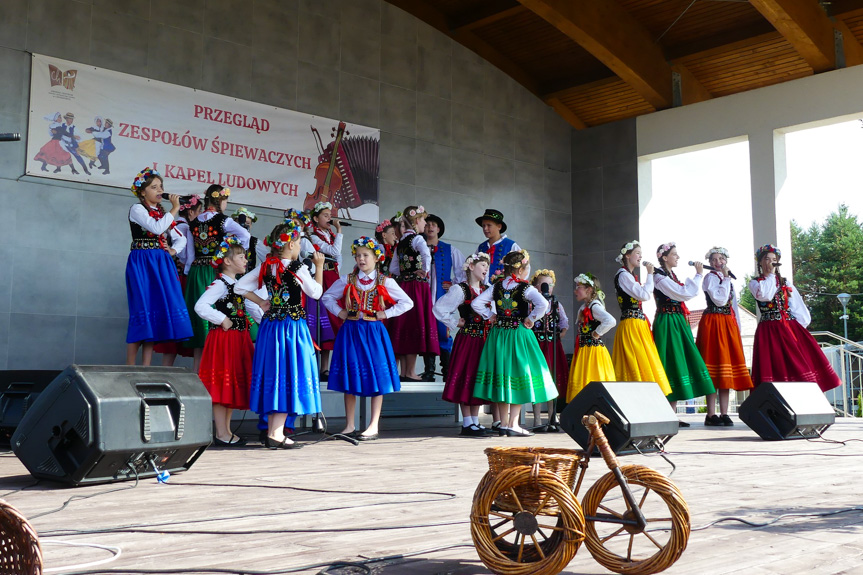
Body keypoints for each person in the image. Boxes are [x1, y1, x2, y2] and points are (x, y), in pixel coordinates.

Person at [235, 221, 326, 449]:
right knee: (288, 375)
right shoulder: (298, 268)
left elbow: (239, 287)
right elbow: (316, 293)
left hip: (270, 328)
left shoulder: (267, 267)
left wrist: (262, 302)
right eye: (298, 244)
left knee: (276, 376)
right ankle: (275, 433)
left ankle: (273, 431)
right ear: (293, 244)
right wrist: (320, 267)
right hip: (291, 329)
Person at [322, 237, 414, 440]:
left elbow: (407, 302)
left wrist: (385, 314)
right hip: (351, 331)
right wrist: (340, 313)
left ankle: (373, 424)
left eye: (365, 255)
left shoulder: (385, 281)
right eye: (358, 255)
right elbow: (327, 297)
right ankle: (349, 424)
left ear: (376, 258)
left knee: (375, 376)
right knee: (350, 375)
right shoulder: (347, 280)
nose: (361, 259)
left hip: (373, 332)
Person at [472, 250, 558, 437]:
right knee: (520, 375)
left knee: (503, 377)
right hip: (518, 334)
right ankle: (513, 424)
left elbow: (477, 304)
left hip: (499, 335)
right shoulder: (525, 288)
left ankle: (504, 424)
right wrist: (531, 318)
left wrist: (491, 316)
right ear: (521, 270)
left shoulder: (496, 287)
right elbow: (543, 305)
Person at [194, 236, 262, 447]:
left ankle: (227, 430)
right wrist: (222, 319)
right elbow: (201, 306)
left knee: (230, 385)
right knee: (222, 385)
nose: (245, 261)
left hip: (238, 339)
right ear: (227, 261)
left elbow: (253, 308)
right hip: (224, 340)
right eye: (241, 257)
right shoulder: (220, 284)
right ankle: (221, 432)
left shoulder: (239, 285)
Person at [749, 244, 841, 392]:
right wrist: (772, 276)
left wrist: (796, 329)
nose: (770, 262)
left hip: (787, 326)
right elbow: (765, 295)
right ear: (760, 262)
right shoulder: (755, 283)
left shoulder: (785, 282)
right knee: (774, 363)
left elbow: (798, 307)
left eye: (773, 259)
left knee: (796, 361)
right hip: (768, 330)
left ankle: (803, 395)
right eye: (766, 259)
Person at [125, 167, 193, 366]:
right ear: (142, 191)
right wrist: (174, 209)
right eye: (153, 187)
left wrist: (172, 251)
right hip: (143, 262)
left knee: (154, 312)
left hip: (160, 262)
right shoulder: (137, 209)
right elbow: (156, 228)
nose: (159, 190)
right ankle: (129, 366)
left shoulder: (161, 213)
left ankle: (145, 368)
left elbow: (180, 238)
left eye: (160, 186)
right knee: (142, 310)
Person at [183, 185, 250, 370]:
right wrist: (231, 252)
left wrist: (189, 273)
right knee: (216, 316)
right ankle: (214, 369)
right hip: (215, 270)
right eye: (226, 200)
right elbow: (245, 234)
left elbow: (189, 256)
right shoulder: (224, 221)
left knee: (199, 322)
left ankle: (198, 372)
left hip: (196, 271)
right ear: (220, 200)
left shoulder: (194, 222)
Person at [652, 242, 715, 426]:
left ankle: (672, 414)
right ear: (664, 257)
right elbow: (683, 293)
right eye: (674, 254)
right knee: (670, 362)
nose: (677, 257)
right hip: (668, 321)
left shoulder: (670, 275)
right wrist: (697, 274)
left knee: (680, 364)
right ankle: (665, 414)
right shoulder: (658, 276)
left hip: (677, 321)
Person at [433, 252, 492, 437]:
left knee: (477, 379)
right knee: (467, 376)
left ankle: (475, 421)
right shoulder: (461, 289)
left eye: (487, 266)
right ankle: (467, 422)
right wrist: (455, 322)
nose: (486, 269)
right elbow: (439, 308)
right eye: (483, 265)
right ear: (471, 267)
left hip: (483, 340)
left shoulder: (486, 289)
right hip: (468, 339)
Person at [696, 247, 754, 426]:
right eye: (713, 259)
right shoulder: (710, 278)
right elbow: (719, 299)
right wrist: (727, 278)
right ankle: (711, 413)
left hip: (727, 322)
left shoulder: (727, 279)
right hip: (713, 322)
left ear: (726, 261)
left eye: (720, 258)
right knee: (714, 367)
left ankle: (724, 412)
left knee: (726, 370)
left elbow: (732, 304)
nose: (717, 262)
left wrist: (737, 325)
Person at [611, 241, 672, 396]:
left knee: (645, 360)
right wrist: (650, 274)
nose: (640, 256)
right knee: (637, 361)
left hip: (637, 324)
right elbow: (644, 295)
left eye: (640, 253)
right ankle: (640, 396)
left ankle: (647, 397)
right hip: (631, 324)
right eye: (637, 253)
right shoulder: (623, 275)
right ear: (627, 255)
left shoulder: (630, 275)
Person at [387, 206, 440, 379]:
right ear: (417, 220)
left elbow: (393, 268)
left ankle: (403, 371)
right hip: (416, 287)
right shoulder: (418, 239)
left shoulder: (400, 243)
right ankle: (410, 372)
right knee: (413, 324)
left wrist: (403, 275)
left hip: (402, 286)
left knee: (403, 326)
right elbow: (427, 255)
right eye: (424, 220)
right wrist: (424, 271)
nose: (425, 224)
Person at [155, 194, 202, 366]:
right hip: (181, 279)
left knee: (175, 322)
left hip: (173, 276)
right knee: (180, 321)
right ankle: (168, 370)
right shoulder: (184, 228)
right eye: (199, 211)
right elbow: (185, 256)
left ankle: (165, 369)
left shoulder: (176, 225)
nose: (200, 215)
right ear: (191, 212)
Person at [422, 214, 466, 381]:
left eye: (433, 225)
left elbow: (463, 272)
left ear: (439, 229)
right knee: (427, 331)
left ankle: (447, 371)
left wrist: (453, 284)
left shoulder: (450, 249)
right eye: (427, 225)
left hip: (442, 297)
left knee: (443, 331)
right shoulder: (419, 247)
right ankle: (429, 371)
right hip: (424, 296)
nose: (430, 227)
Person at [529, 269, 569, 432]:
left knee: (552, 378)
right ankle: (537, 417)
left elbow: (564, 323)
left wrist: (559, 335)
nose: (547, 288)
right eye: (544, 285)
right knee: (538, 380)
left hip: (552, 345)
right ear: (536, 287)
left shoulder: (556, 303)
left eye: (550, 285)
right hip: (537, 344)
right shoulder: (531, 304)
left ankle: (553, 416)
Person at [308, 201, 344, 377]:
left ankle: (326, 367)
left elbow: (338, 258)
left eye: (330, 215)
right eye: (325, 215)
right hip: (322, 278)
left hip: (333, 277)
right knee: (323, 319)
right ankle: (317, 367)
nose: (330, 218)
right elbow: (335, 251)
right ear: (316, 218)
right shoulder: (314, 237)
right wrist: (340, 232)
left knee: (335, 319)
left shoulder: (328, 234)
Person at [568, 273, 616, 401]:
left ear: (589, 289)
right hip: (585, 351)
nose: (575, 290)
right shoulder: (585, 306)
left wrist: (597, 333)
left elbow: (610, 320)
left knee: (593, 378)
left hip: (593, 352)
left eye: (578, 287)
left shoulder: (594, 306)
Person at [476, 209, 520, 280]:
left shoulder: (510, 245)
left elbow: (524, 268)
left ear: (499, 226)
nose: (485, 228)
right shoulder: (481, 247)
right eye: (483, 226)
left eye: (489, 225)